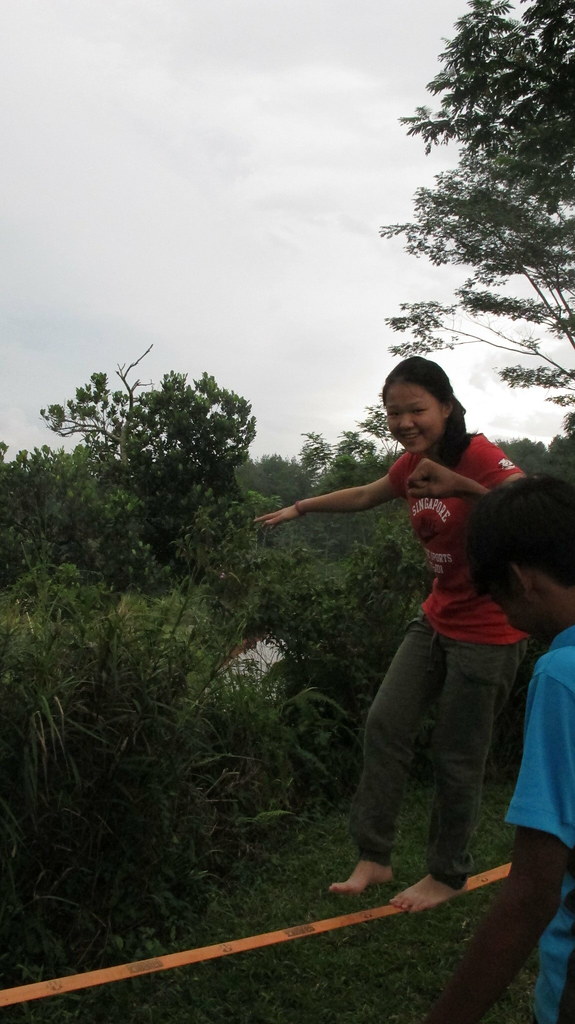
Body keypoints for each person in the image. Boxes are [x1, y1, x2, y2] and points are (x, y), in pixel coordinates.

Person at [256, 356, 527, 912]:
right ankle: (374, 857)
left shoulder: (478, 456)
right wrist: (300, 508)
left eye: (416, 410)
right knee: (385, 724)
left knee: (457, 754)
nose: (404, 421)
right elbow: (365, 493)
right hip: (436, 617)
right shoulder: (411, 464)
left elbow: (529, 502)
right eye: (393, 411)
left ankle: (448, 874)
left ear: (446, 407)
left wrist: (460, 484)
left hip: (490, 630)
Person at [422, 474, 575, 1024]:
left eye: (495, 597)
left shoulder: (561, 676)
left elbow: (535, 887)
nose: (504, 616)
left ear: (520, 580)